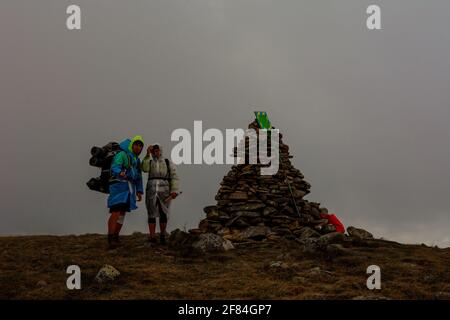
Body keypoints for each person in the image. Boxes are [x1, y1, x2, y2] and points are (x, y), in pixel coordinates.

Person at [106, 135, 144, 248]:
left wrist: (139, 191)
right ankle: (111, 237)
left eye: (140, 146)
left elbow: (138, 177)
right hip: (118, 186)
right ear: (132, 145)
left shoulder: (137, 160)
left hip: (128, 189)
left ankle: (116, 237)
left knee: (122, 213)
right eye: (136, 145)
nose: (138, 147)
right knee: (116, 211)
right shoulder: (122, 154)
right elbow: (115, 166)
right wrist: (120, 172)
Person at [141, 143, 179, 244]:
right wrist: (147, 155)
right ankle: (152, 236)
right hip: (151, 189)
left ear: (160, 151)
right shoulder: (149, 161)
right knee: (151, 213)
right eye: (154, 150)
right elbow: (144, 169)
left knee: (163, 213)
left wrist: (174, 190)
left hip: (164, 190)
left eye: (158, 150)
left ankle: (162, 235)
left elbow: (174, 176)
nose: (156, 152)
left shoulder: (167, 162)